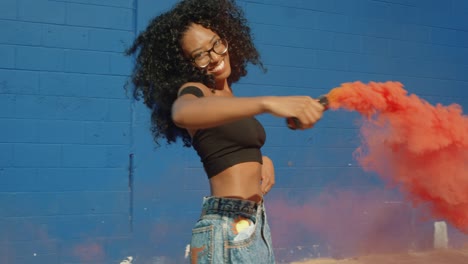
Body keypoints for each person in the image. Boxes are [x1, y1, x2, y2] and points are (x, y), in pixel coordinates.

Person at [126, 0, 325, 263]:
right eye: (199, 55)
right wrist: (268, 103)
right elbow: (182, 112)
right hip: (226, 228)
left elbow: (231, 148)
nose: (214, 57)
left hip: (253, 224)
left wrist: (262, 160)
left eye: (216, 43)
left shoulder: (228, 98)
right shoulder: (196, 91)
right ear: (186, 64)